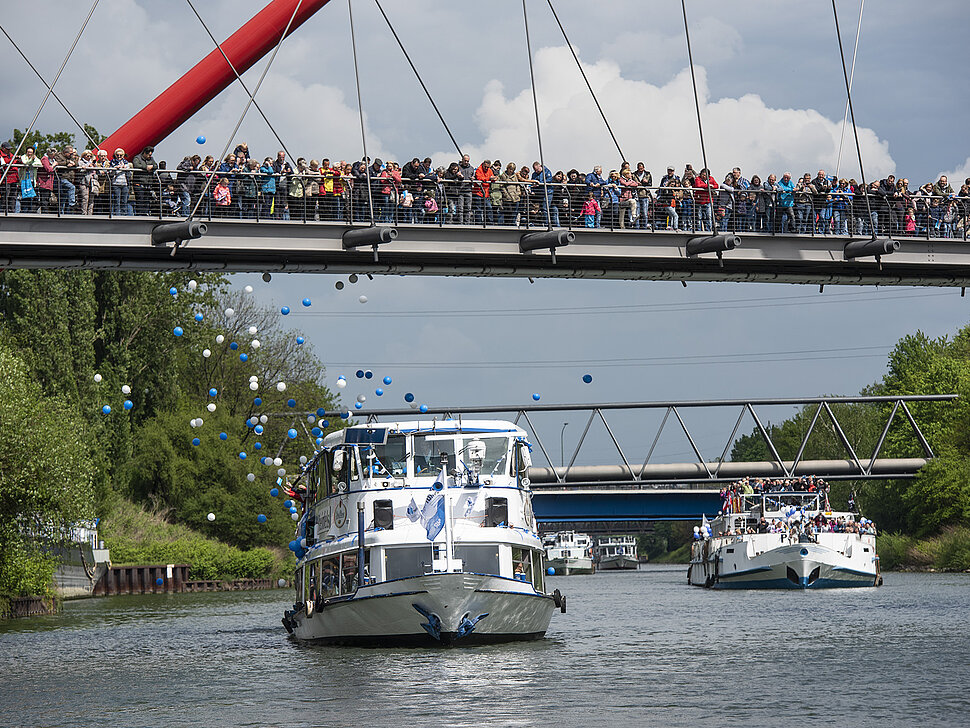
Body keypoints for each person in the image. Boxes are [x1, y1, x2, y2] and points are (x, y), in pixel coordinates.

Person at [131, 146, 158, 216]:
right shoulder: (137, 158)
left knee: (146, 201)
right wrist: (146, 167)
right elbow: (136, 165)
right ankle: (139, 215)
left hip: (148, 184)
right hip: (139, 184)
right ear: (145, 153)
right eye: (149, 155)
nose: (150, 156)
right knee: (140, 201)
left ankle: (145, 215)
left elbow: (156, 165)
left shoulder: (151, 159)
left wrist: (152, 167)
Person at [53, 145, 78, 214]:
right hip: (62, 178)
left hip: (70, 178)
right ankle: (72, 203)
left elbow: (77, 162)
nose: (72, 155)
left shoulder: (71, 157)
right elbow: (58, 163)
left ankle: (62, 213)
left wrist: (73, 164)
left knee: (64, 197)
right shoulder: (58, 155)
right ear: (65, 152)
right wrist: (67, 163)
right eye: (70, 153)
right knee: (72, 187)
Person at [692, 168, 718, 232]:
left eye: (705, 175)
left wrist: (712, 186)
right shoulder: (698, 178)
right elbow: (698, 185)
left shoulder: (711, 178)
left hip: (708, 201)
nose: (703, 176)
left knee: (708, 217)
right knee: (699, 217)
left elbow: (717, 185)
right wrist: (708, 186)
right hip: (699, 201)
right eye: (702, 175)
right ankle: (699, 230)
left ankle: (709, 230)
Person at [1, 141, 20, 213]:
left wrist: (19, 160)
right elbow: (4, 164)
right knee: (5, 196)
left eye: (9, 149)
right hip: (6, 179)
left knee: (13, 196)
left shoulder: (11, 155)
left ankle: (12, 211)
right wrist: (14, 160)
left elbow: (14, 162)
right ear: (3, 148)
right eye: (7, 149)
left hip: (14, 179)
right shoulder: (1, 156)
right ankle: (3, 211)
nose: (9, 150)